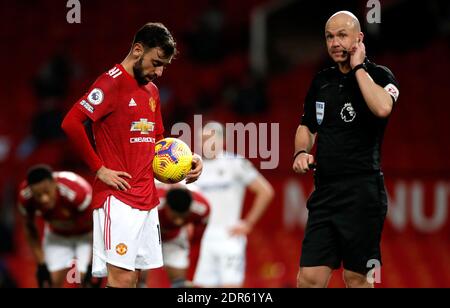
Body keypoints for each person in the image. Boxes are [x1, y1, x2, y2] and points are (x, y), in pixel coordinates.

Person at [61, 23, 203, 288]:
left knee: (137, 278)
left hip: (147, 198)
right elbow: (71, 122)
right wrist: (99, 169)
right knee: (122, 278)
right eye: (156, 63)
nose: (159, 72)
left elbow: (157, 141)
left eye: (164, 66)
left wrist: (188, 160)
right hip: (118, 197)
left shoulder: (152, 92)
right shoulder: (110, 83)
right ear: (138, 50)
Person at [292, 11, 399, 288]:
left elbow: (383, 107)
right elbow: (306, 126)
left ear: (358, 38)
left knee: (356, 278)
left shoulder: (379, 75)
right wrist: (301, 151)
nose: (334, 43)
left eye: (342, 35)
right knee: (309, 278)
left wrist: (359, 68)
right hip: (325, 192)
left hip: (362, 192)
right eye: (329, 36)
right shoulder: (321, 82)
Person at [193, 122, 274, 288]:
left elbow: (266, 191)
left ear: (222, 141)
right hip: (202, 240)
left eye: (210, 138)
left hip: (229, 237)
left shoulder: (235, 163)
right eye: (202, 139)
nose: (206, 143)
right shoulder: (194, 167)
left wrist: (248, 223)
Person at [18, 165, 93, 288]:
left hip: (85, 236)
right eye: (38, 195)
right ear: (32, 192)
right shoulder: (25, 198)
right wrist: (41, 264)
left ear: (55, 184)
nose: (44, 199)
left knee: (86, 282)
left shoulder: (78, 192)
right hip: (57, 235)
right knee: (49, 283)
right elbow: (29, 228)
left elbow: (97, 227)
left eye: (47, 192)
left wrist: (92, 262)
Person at [138, 182, 210, 288]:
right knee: (138, 276)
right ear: (166, 206)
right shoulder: (150, 202)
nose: (179, 222)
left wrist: (190, 278)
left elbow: (196, 243)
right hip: (146, 233)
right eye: (175, 216)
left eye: (183, 217)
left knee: (180, 283)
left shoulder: (202, 209)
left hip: (175, 237)